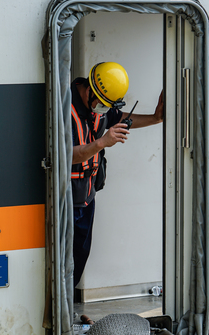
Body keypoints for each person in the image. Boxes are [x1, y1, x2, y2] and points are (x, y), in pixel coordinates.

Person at [70, 62, 163, 288]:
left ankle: (68, 305)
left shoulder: (100, 106)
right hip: (66, 200)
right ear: (90, 90)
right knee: (64, 261)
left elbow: (119, 117)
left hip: (87, 196)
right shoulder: (64, 108)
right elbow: (66, 156)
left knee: (80, 257)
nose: (103, 110)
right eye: (101, 105)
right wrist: (102, 142)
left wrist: (155, 118)